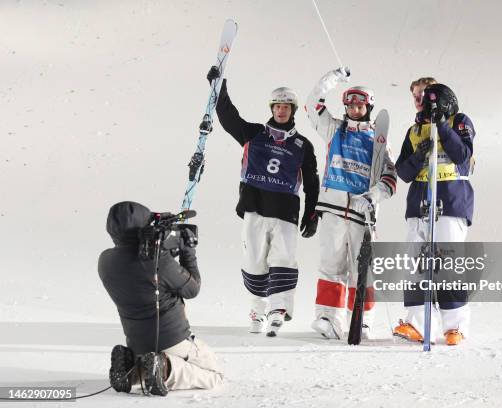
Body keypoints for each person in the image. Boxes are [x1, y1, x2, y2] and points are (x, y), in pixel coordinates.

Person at [207, 66, 320, 337]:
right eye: (277, 106)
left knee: (284, 257)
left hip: (286, 210)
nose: (281, 111)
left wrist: (312, 212)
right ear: (272, 108)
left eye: (286, 107)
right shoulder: (254, 133)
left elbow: (313, 180)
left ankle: (278, 309)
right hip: (255, 206)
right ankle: (257, 310)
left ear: (293, 110)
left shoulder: (303, 145)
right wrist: (218, 87)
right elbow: (228, 117)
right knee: (255, 260)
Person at [305, 67, 397, 340]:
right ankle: (327, 318)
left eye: (360, 105)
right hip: (333, 209)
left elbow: (390, 179)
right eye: (350, 105)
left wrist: (373, 197)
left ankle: (363, 319)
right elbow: (312, 104)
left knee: (363, 270)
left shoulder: (379, 141)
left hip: (361, 214)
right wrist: (332, 78)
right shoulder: (334, 129)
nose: (355, 109)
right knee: (331, 264)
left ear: (369, 107)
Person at [99, 201, 223, 396]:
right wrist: (187, 252)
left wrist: (163, 251)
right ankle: (166, 368)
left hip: (137, 342)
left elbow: (141, 272)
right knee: (214, 375)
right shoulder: (159, 263)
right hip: (173, 341)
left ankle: (131, 373)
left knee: (148, 365)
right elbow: (193, 289)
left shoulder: (105, 261)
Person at [393, 78, 476, 346]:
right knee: (416, 264)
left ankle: (455, 326)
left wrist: (441, 125)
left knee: (447, 264)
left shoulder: (459, 122)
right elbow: (403, 172)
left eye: (430, 99)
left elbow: (462, 155)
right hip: (419, 204)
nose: (424, 105)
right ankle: (416, 323)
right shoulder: (415, 130)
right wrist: (418, 156)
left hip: (450, 201)